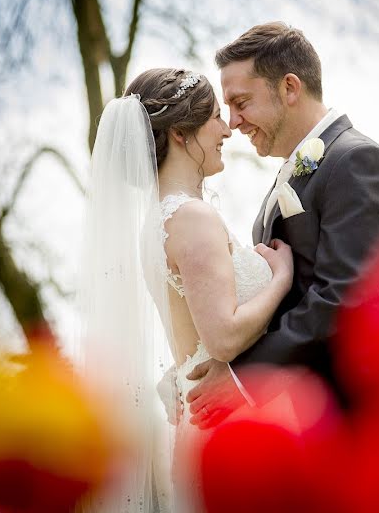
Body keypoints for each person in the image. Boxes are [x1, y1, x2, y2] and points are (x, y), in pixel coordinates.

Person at [78, 67, 294, 512]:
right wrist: (283, 277)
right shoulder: (190, 218)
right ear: (180, 132)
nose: (226, 130)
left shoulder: (160, 221)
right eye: (215, 116)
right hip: (229, 428)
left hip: (207, 416)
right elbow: (223, 336)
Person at [185, 22, 379, 424]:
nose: (234, 122)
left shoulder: (356, 162)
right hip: (312, 417)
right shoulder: (291, 176)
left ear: (290, 88)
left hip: (363, 415)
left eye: (241, 102)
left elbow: (345, 299)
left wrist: (244, 378)